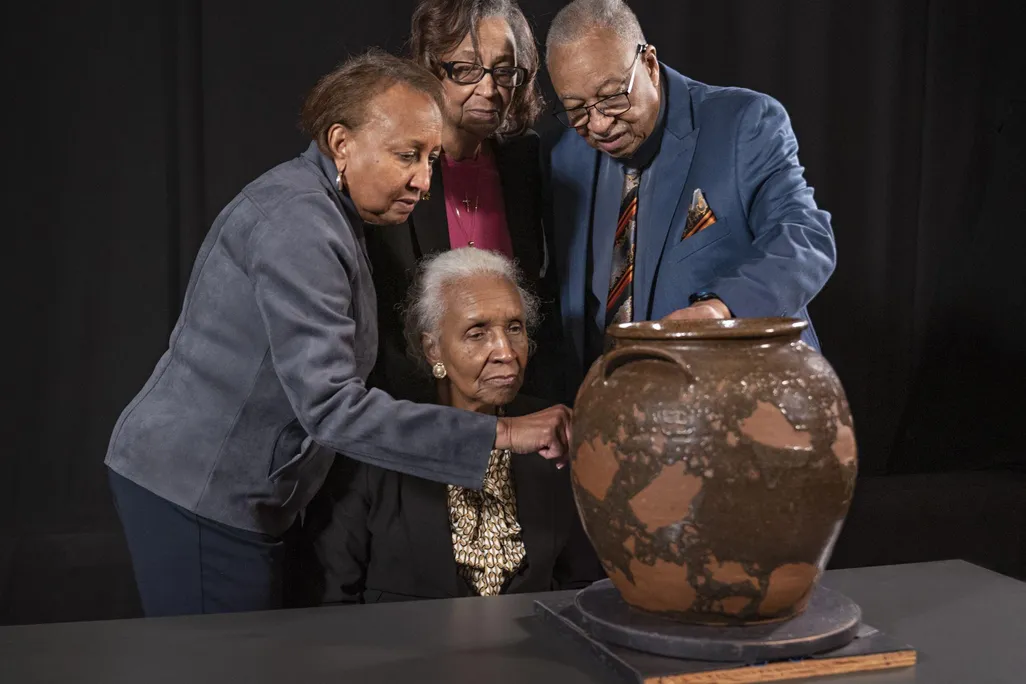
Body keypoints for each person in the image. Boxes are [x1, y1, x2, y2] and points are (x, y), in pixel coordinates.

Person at [103, 51, 573, 617]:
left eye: (430, 158)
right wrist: (506, 435)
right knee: (219, 664)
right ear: (341, 143)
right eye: (407, 156)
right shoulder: (300, 225)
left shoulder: (331, 209)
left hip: (231, 493)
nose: (424, 182)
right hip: (198, 492)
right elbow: (330, 408)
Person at [542, 0, 837, 392]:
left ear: (648, 64)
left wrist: (720, 310)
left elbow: (805, 238)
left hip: (746, 408)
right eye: (576, 109)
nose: (598, 124)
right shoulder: (565, 157)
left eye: (613, 97)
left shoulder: (743, 123)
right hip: (617, 414)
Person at [302, 248, 603, 603]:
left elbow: (582, 585)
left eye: (514, 328)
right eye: (477, 333)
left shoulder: (553, 432)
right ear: (433, 350)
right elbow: (329, 595)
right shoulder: (379, 435)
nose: (506, 351)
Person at [365, 0, 562, 405]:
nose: (489, 90)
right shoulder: (392, 164)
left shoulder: (524, 159)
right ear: (429, 67)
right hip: (410, 409)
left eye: (504, 71)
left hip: (512, 402)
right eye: (466, 69)